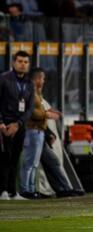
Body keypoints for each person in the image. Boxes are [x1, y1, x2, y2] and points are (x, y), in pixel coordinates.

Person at [20, 67, 61, 199]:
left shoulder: (37, 94)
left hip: (38, 131)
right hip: (31, 131)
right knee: (28, 163)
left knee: (34, 164)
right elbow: (31, 112)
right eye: (42, 78)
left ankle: (31, 190)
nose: (43, 81)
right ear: (36, 79)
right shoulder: (28, 92)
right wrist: (47, 114)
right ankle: (25, 190)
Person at [0, 51, 34, 200]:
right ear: (14, 62)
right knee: (4, 158)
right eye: (20, 61)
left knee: (15, 158)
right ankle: (2, 191)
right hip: (4, 125)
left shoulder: (29, 83)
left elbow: (30, 108)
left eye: (26, 62)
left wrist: (19, 124)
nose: (23, 64)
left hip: (19, 126)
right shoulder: (4, 79)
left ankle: (13, 192)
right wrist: (1, 122)